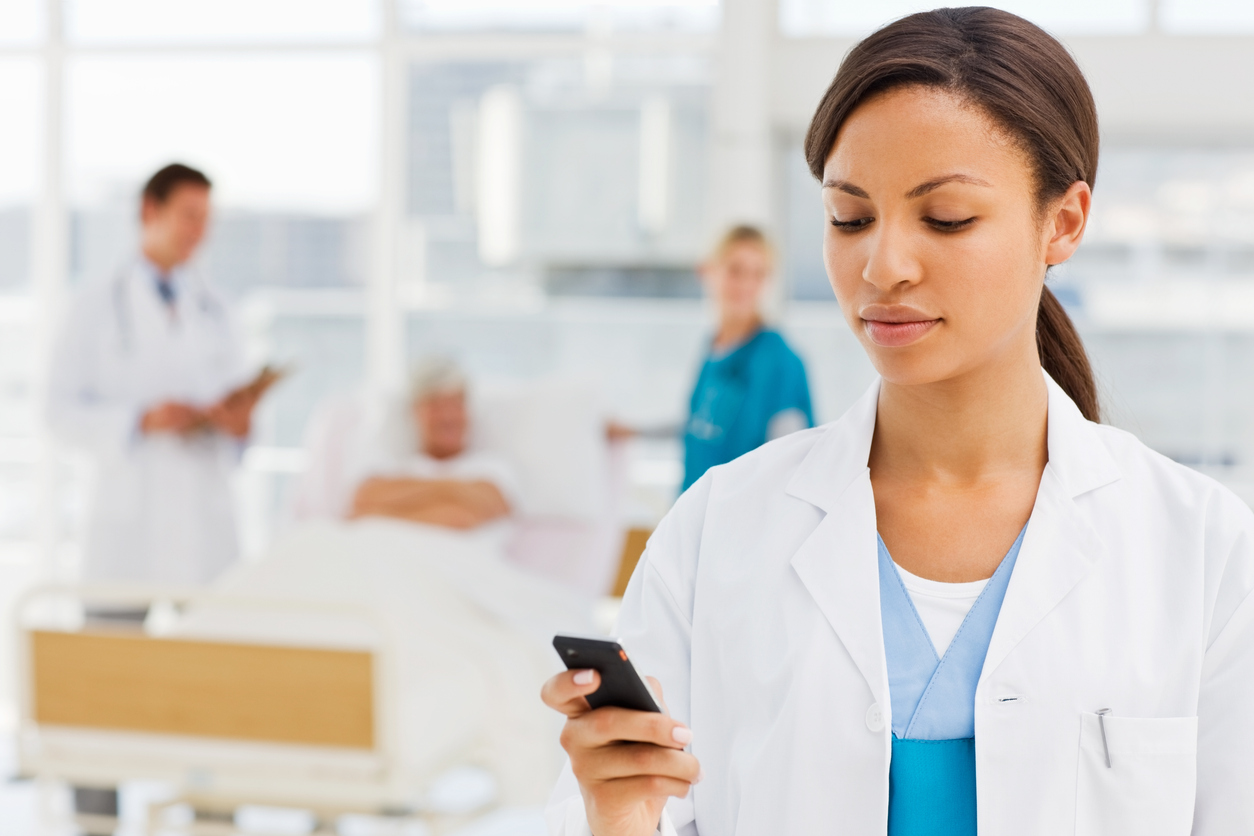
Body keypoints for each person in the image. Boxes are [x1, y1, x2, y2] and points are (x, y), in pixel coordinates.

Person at [542, 8, 1254, 835]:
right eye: (850, 218)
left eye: (946, 218)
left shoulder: (1201, 551)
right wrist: (619, 814)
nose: (882, 267)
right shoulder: (716, 532)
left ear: (1062, 223)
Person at [47, 163, 260, 587]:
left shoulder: (218, 309)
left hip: (204, 519)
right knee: (113, 627)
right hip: (128, 520)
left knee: (211, 625)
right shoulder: (94, 305)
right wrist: (141, 420)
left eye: (207, 219)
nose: (199, 231)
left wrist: (239, 424)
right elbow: (57, 411)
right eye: (189, 215)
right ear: (150, 210)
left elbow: (247, 411)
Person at [680, 225, 812, 491]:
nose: (746, 285)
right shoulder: (714, 348)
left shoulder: (779, 361)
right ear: (708, 271)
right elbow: (699, 424)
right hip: (696, 505)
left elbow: (790, 463)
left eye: (758, 274)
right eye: (735, 270)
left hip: (742, 513)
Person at [349, 357, 519, 531]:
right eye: (435, 405)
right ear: (414, 412)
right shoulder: (398, 467)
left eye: (455, 404)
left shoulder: (492, 467)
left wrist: (380, 512)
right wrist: (453, 496)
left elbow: (458, 519)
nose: (447, 416)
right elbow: (360, 502)